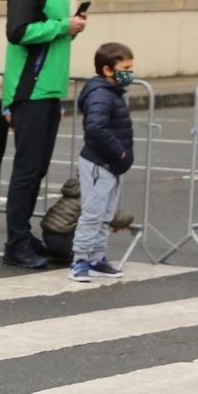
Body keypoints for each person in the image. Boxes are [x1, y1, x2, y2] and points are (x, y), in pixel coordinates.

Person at [0, 0, 88, 270]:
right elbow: (18, 31)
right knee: (26, 169)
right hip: (30, 89)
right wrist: (62, 25)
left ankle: (22, 236)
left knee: (36, 170)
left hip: (48, 88)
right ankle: (15, 242)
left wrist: (71, 28)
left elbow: (49, 35)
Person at [69, 43, 135, 281]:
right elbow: (95, 128)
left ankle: (97, 258)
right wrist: (119, 153)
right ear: (108, 70)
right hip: (100, 164)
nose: (130, 72)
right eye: (126, 68)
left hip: (109, 166)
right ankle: (80, 260)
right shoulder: (101, 94)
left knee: (105, 215)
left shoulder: (111, 94)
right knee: (93, 214)